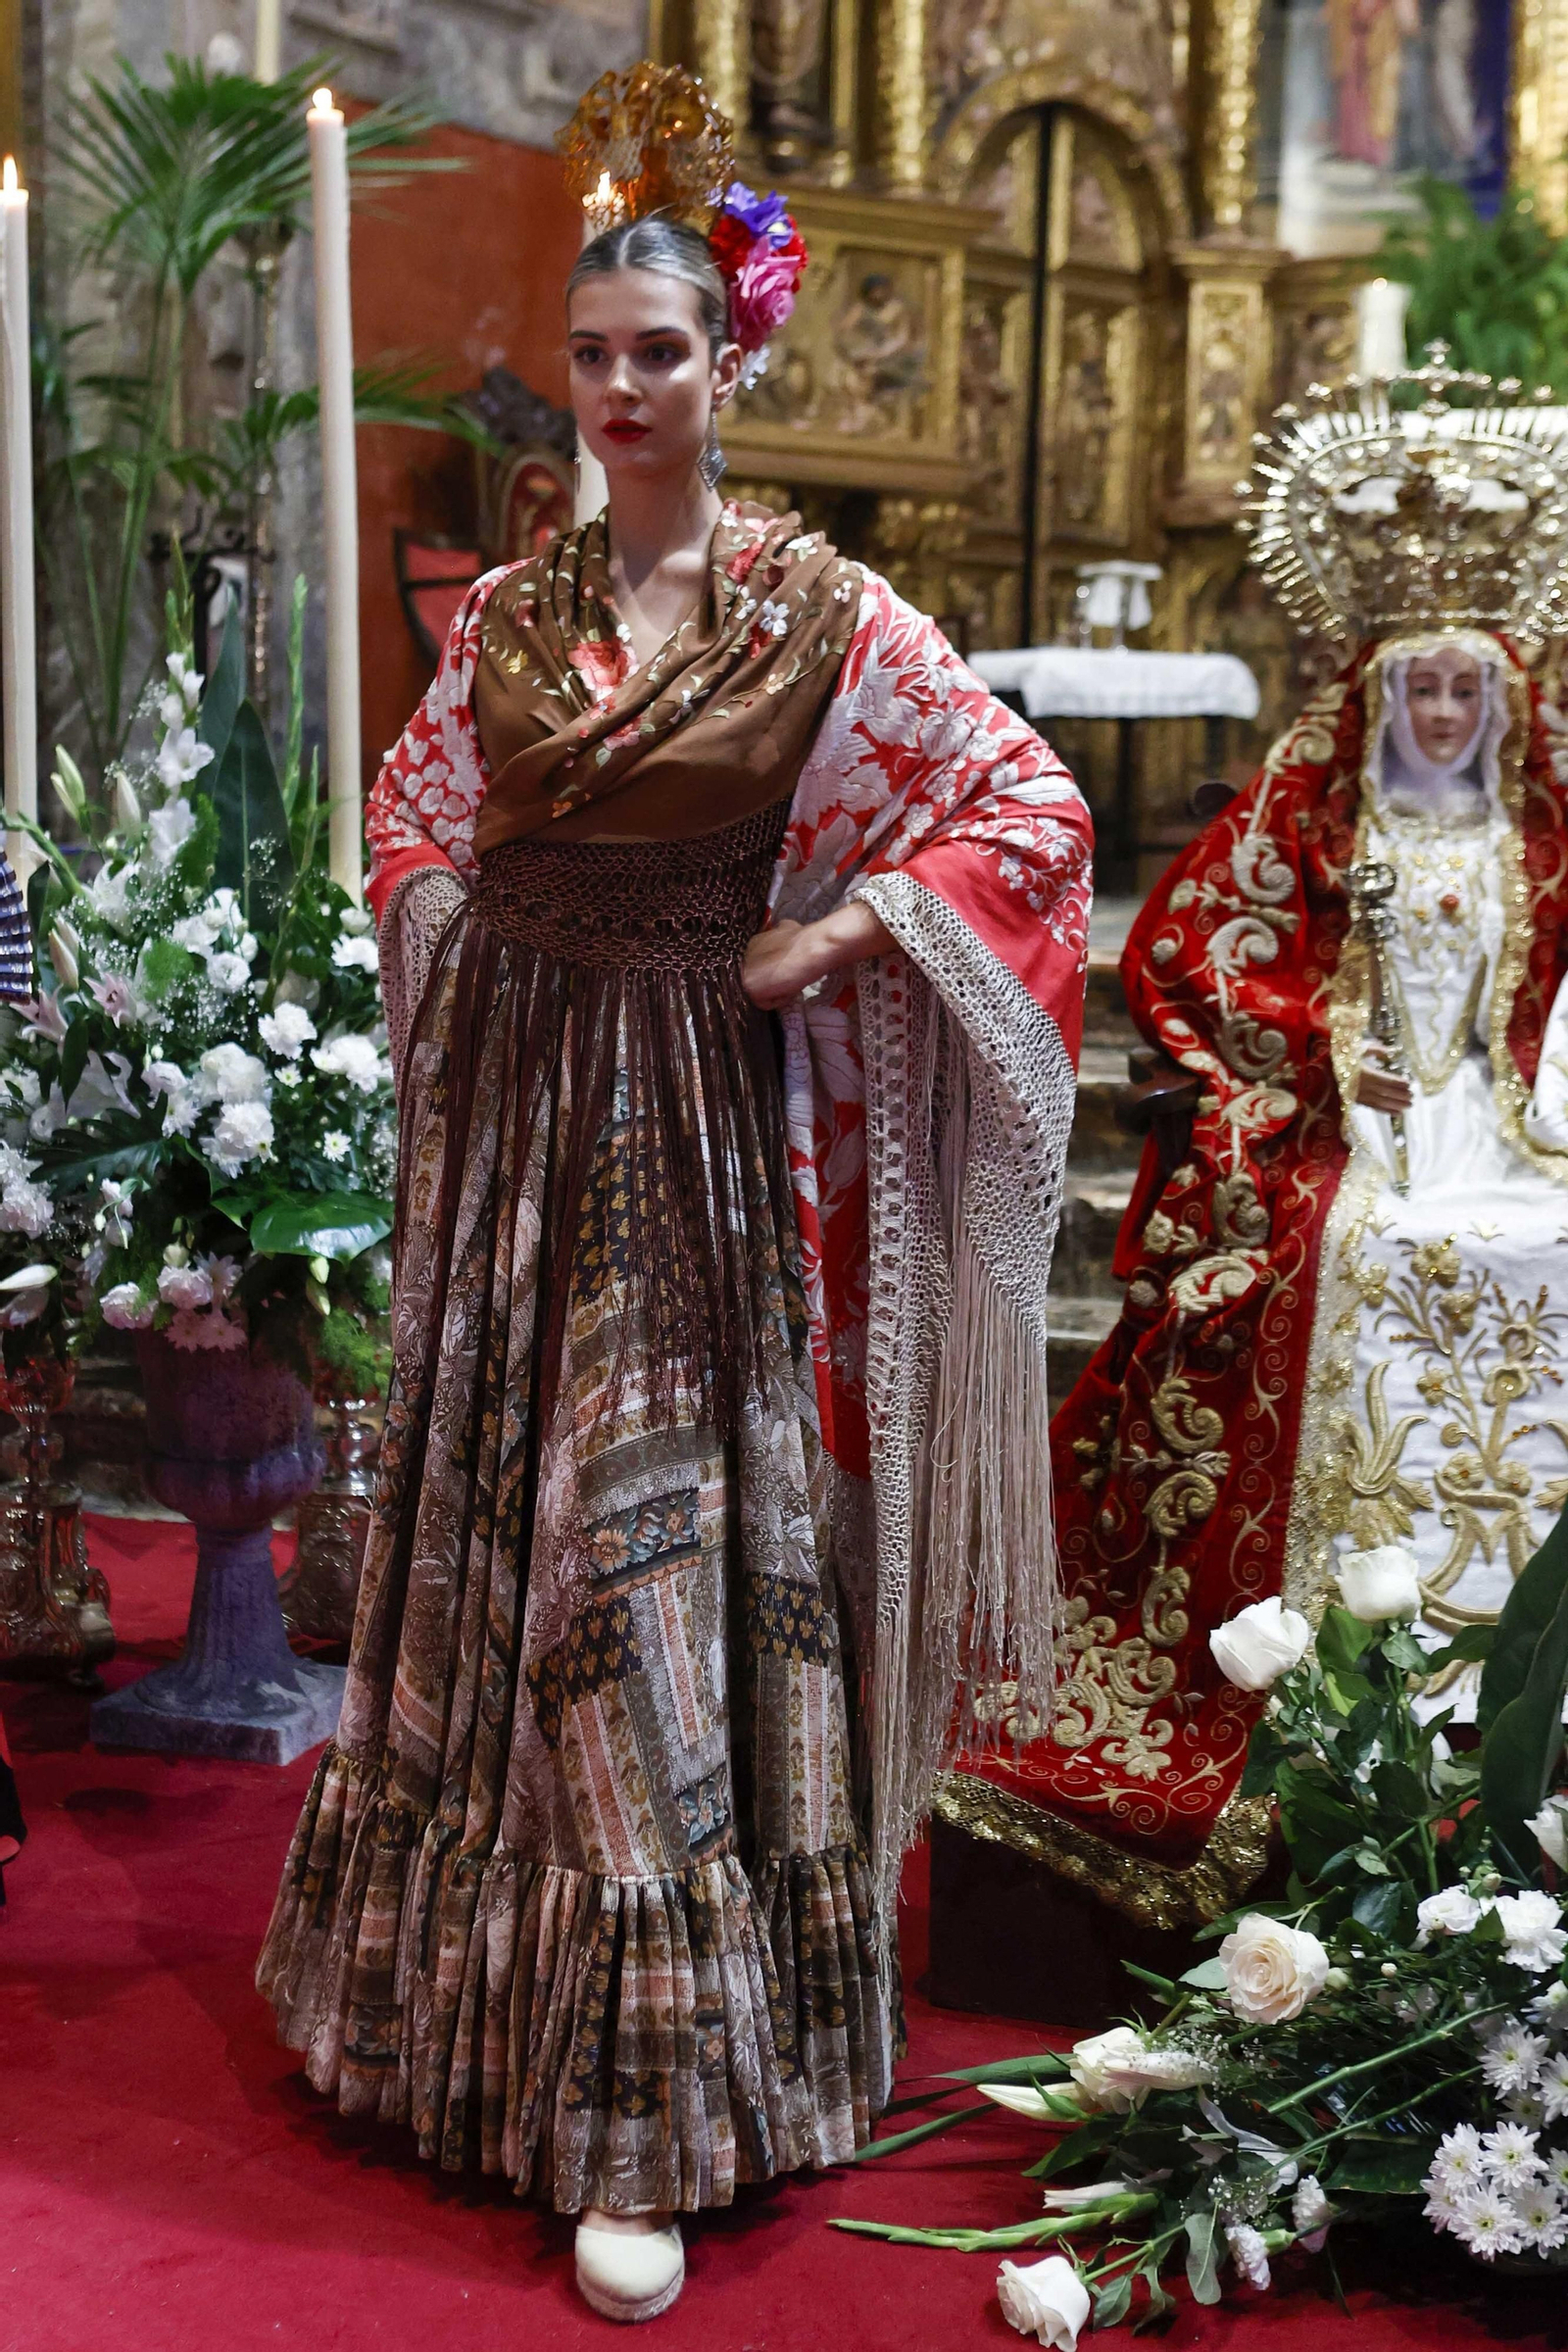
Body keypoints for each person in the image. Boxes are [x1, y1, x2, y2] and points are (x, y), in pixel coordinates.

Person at [258, 192, 1091, 2321]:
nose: (625, 391)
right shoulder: (515, 608)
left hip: (690, 1149)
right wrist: (451, 931)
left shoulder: (823, 612)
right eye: (596, 353)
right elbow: (411, 815)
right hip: (515, 1130)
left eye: (664, 353)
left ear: (735, 366)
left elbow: (1024, 817)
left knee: (639, 1569)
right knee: (499, 1553)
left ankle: (649, 2094)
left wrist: (843, 926)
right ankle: (465, 2039)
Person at [944, 378, 1568, 1939]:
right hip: (1354, 1137)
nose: (1438, 720)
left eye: (1461, 698)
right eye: (1417, 693)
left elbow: (1543, 997)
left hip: (1500, 1129)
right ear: (1377, 698)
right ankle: (1332, 1665)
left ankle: (1518, 1689)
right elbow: (1202, 953)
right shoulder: (1321, 819)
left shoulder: (1534, 841)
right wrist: (1314, 1072)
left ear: (1499, 707)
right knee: (1323, 1257)